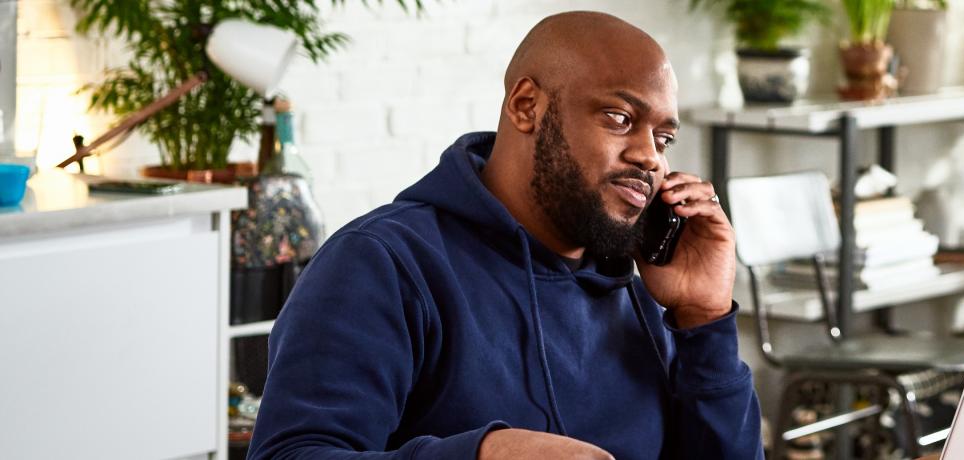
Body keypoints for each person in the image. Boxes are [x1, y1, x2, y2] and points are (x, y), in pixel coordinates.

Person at [248, 12, 759, 459]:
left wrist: (703, 320)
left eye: (663, 138)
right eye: (620, 118)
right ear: (526, 105)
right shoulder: (382, 264)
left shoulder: (643, 289)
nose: (651, 156)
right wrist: (479, 454)